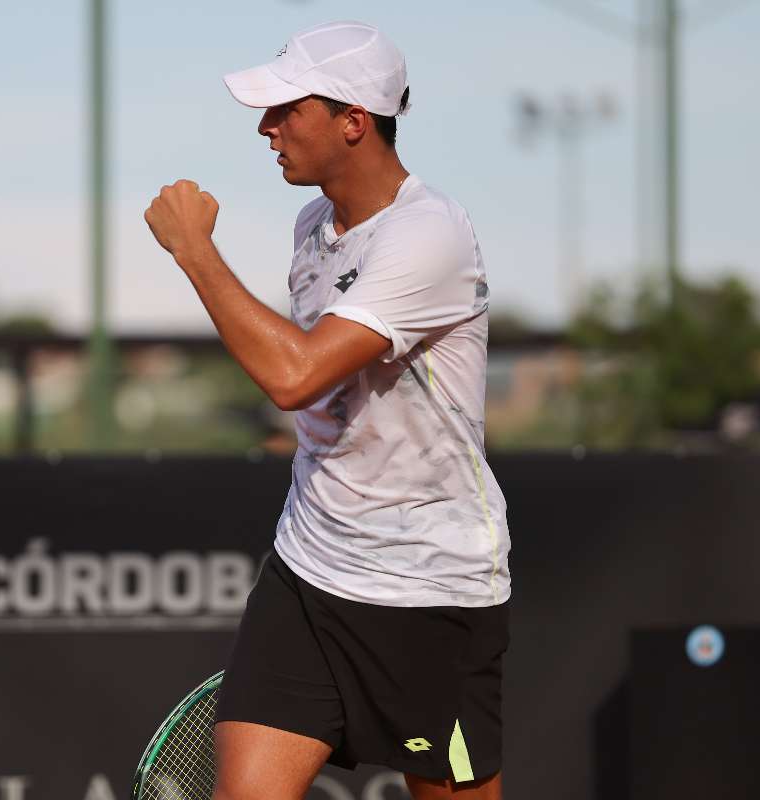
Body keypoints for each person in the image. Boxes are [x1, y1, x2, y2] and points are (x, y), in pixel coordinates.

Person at [143, 20, 512, 800]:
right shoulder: (313, 226)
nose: (265, 127)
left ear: (353, 122)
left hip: (426, 591)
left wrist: (196, 252)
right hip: (307, 572)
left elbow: (293, 377)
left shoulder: (429, 235)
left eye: (287, 109)